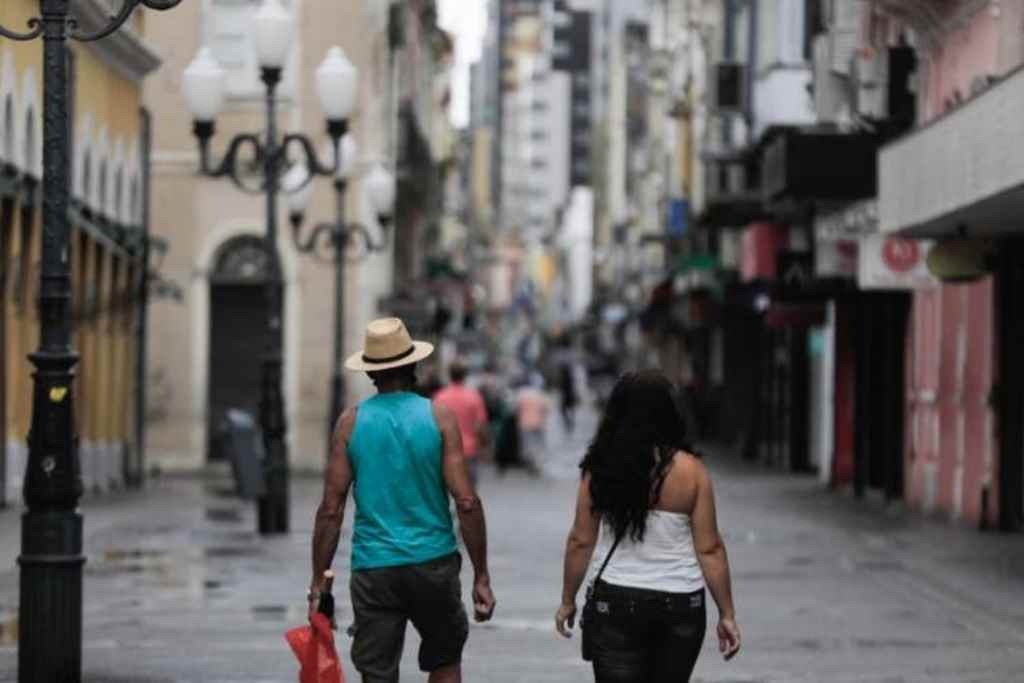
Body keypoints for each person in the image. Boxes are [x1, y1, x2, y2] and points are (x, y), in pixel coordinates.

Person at [309, 318, 497, 683]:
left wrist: (319, 582)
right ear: (413, 365)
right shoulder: (439, 417)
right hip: (434, 564)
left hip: (374, 568)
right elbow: (467, 502)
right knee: (444, 661)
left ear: (371, 374)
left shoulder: (350, 423)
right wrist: (482, 576)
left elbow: (331, 509)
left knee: (377, 672)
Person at [555, 370, 740, 682]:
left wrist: (567, 601)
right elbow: (710, 549)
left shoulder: (600, 469)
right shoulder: (692, 472)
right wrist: (727, 614)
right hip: (682, 603)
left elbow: (580, 541)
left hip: (615, 601)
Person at [433, 360, 489, 484]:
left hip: (445, 450)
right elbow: (480, 426)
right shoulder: (474, 396)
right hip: (469, 450)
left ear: (449, 375)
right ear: (465, 375)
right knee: (469, 491)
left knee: (447, 489)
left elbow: (434, 425)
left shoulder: (440, 396)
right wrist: (485, 445)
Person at [516, 373, 550, 473]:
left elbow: (516, 408)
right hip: (539, 423)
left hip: (525, 424)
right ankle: (537, 464)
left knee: (527, 445)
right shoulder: (541, 395)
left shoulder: (521, 394)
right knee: (538, 445)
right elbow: (547, 409)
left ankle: (531, 463)